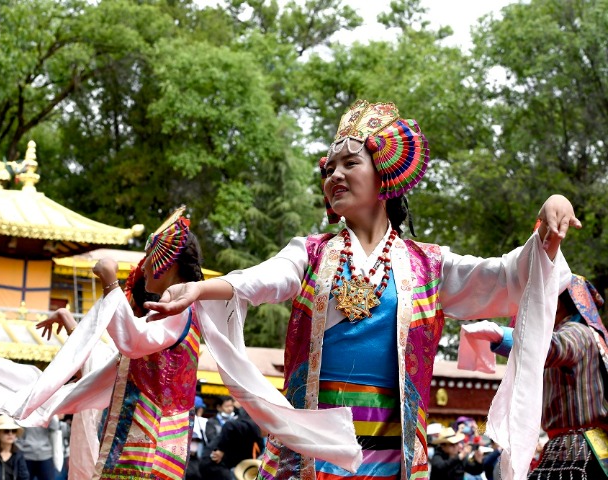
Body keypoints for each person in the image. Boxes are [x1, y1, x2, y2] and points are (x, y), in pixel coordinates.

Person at [145, 100, 579, 479]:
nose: (334, 174)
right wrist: (201, 290)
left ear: (383, 175)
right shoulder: (310, 253)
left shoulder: (428, 265)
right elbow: (263, 278)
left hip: (394, 457)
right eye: (329, 168)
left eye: (350, 163)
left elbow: (506, 278)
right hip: (312, 450)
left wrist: (548, 227)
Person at [0, 208, 206, 480]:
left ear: (167, 261)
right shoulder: (174, 315)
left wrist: (110, 284)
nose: (144, 267)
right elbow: (113, 356)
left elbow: (131, 341)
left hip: (152, 435)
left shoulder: (176, 311)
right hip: (150, 432)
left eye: (147, 259)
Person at [462, 274, 607, 479]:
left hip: (575, 448)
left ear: (558, 302)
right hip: (584, 447)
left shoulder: (576, 332)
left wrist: (503, 336)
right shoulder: (590, 334)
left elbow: (554, 348)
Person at [199, 409, 264, 480]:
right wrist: (221, 449)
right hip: (213, 462)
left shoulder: (258, 440)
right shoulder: (252, 426)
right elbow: (229, 425)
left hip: (225, 465)